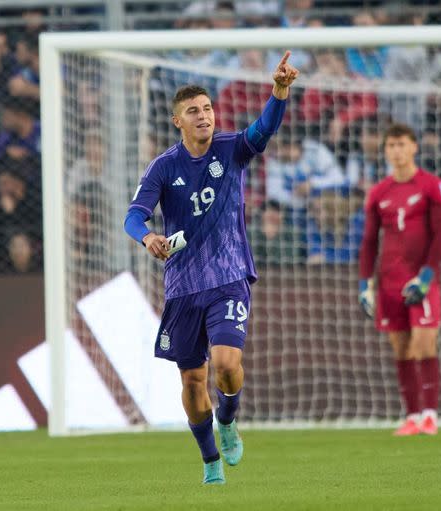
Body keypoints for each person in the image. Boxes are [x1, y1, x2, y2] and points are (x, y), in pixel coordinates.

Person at [124, 52, 298, 484]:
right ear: (177, 122)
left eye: (207, 109)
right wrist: (147, 236)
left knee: (225, 363)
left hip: (229, 277)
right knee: (191, 382)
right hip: (183, 287)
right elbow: (133, 216)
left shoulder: (230, 148)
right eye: (193, 112)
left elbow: (263, 130)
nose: (203, 116)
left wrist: (279, 90)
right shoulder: (163, 167)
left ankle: (229, 419)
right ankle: (209, 462)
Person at [358, 123, 441, 436]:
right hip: (389, 282)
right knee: (401, 349)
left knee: (424, 343)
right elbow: (370, 241)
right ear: (385, 151)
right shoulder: (378, 192)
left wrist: (426, 276)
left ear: (414, 147)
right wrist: (364, 284)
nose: (396, 151)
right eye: (391, 146)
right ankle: (412, 416)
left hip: (421, 280)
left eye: (401, 144)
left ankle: (430, 414)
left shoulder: (432, 186)